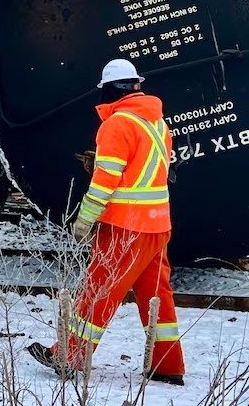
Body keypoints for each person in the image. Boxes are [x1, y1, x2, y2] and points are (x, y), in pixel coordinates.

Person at [28, 59, 186, 385]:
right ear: (136, 86)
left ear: (109, 90)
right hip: (157, 225)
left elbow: (104, 183)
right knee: (157, 296)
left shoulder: (116, 125)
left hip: (124, 228)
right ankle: (168, 366)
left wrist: (84, 221)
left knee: (98, 290)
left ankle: (67, 357)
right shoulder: (156, 123)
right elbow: (153, 169)